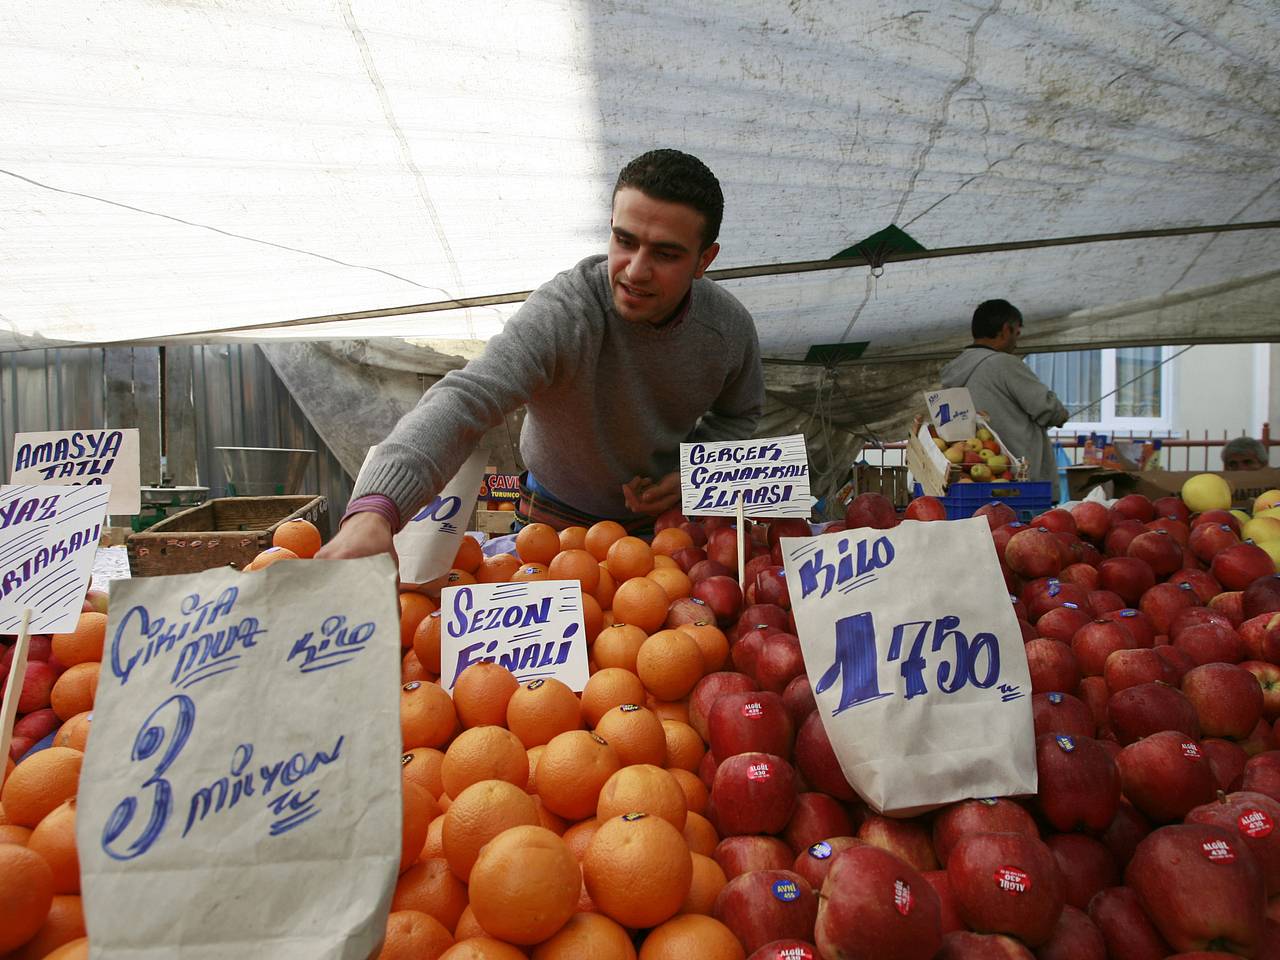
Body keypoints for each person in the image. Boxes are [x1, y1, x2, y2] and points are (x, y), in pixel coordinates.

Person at [318, 149, 764, 560]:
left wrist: (692, 476)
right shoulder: (566, 312)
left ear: (705, 260)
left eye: (665, 254)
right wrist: (377, 509)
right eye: (624, 241)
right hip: (549, 519)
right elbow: (468, 396)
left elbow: (738, 416)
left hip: (663, 530)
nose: (635, 270)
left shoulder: (728, 331)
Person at [939, 300, 1069, 484]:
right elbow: (1047, 408)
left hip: (974, 478)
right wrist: (1061, 415)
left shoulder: (953, 370)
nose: (1017, 343)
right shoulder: (1004, 364)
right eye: (1017, 333)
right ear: (1006, 329)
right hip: (1018, 480)